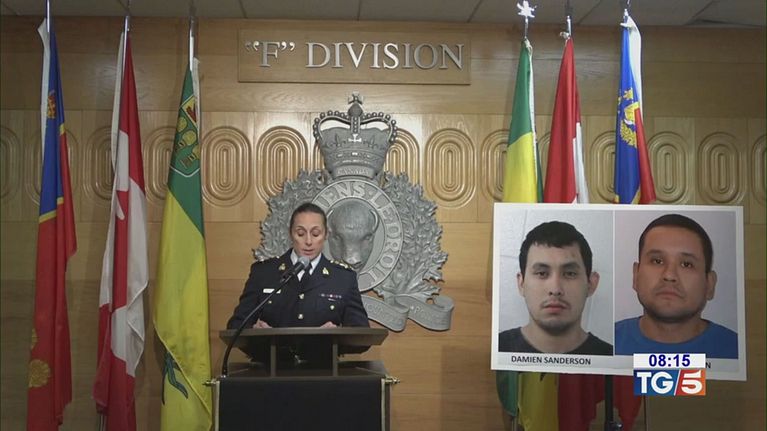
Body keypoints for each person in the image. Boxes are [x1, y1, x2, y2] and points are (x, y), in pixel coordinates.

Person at [227, 202, 369, 330]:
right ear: (290, 234)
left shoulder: (343, 278)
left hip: (323, 352)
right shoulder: (264, 273)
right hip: (272, 351)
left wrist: (337, 335)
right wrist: (255, 331)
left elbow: (361, 334)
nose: (308, 241)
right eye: (300, 233)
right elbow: (235, 326)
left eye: (315, 234)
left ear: (326, 235)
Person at [615, 213, 738, 358]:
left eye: (686, 264)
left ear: (709, 284)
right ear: (636, 275)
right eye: (657, 261)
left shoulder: (738, 352)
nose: (669, 275)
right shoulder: (609, 345)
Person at [498, 221, 613, 355]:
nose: (555, 289)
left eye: (570, 273)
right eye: (542, 273)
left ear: (591, 284)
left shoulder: (611, 358)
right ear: (521, 283)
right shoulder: (496, 349)